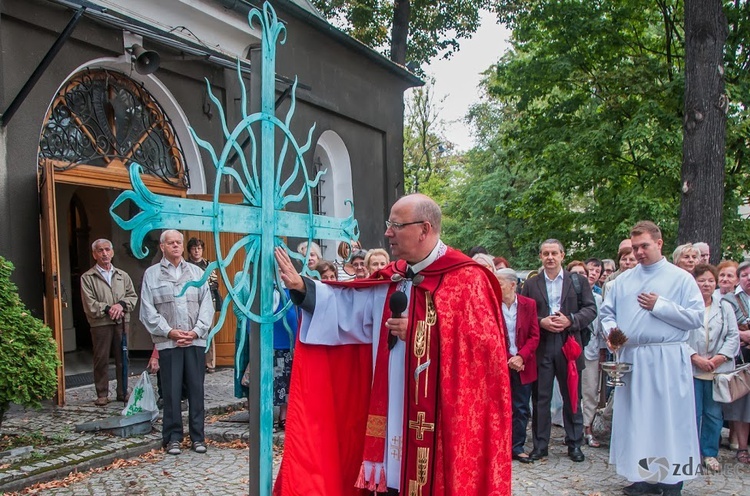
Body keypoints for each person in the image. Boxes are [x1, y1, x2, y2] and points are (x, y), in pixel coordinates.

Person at [273, 193, 512, 495]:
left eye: (396, 225)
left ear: (424, 230)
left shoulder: (467, 281)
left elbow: (483, 358)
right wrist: (302, 287)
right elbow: (347, 310)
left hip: (441, 425)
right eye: (389, 225)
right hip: (391, 418)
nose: (387, 233)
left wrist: (421, 332)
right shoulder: (393, 277)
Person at [600, 221, 704, 496]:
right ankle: (644, 476)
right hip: (633, 358)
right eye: (634, 248)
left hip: (667, 357)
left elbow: (696, 317)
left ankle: (673, 481)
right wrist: (612, 332)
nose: (638, 253)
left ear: (659, 244)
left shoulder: (680, 278)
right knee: (639, 419)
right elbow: (607, 313)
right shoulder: (623, 280)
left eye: (644, 246)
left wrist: (660, 305)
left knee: (669, 419)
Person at [521, 240, 597, 463]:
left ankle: (575, 444)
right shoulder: (532, 284)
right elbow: (524, 314)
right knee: (541, 398)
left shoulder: (577, 281)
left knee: (572, 396)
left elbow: (591, 309)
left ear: (562, 255)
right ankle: (540, 445)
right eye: (546, 253)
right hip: (542, 345)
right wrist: (541, 321)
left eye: (554, 253)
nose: (550, 257)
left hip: (569, 344)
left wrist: (571, 320)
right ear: (540, 257)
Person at [140, 230, 214, 456]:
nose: (175, 246)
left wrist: (196, 331)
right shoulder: (152, 274)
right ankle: (172, 438)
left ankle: (198, 436)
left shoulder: (196, 272)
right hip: (168, 343)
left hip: (195, 341)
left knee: (196, 390)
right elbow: (146, 309)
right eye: (171, 243)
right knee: (171, 393)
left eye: (178, 242)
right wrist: (169, 332)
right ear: (162, 247)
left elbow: (207, 305)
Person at [686, 264, 738, 472]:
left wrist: (718, 358)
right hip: (693, 367)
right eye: (701, 280)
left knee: (714, 414)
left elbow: (733, 336)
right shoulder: (687, 306)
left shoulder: (724, 307)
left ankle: (709, 452)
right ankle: (690, 450)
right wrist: (695, 357)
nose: (706, 284)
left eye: (710, 280)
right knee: (693, 412)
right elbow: (679, 336)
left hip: (717, 370)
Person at [80, 239, 138, 406]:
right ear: (94, 254)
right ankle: (102, 393)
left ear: (112, 252)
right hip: (100, 323)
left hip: (121, 321)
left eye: (107, 250)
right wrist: (108, 309)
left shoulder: (122, 275)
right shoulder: (87, 277)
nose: (104, 253)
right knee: (101, 358)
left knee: (123, 358)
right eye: (100, 250)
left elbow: (132, 296)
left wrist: (120, 305)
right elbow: (89, 303)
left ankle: (123, 392)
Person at [496, 268, 540, 464]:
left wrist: (521, 357)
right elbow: (492, 336)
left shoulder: (528, 305)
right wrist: (508, 358)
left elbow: (534, 335)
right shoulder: (492, 305)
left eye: (500, 284)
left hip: (523, 364)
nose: (496, 287)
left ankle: (517, 446)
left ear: (513, 285)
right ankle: (499, 446)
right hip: (500, 363)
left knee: (521, 407)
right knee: (499, 407)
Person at [568, 262, 605, 448]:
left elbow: (601, 326)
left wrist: (604, 349)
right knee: (571, 391)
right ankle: (571, 429)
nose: (580, 277)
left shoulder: (597, 299)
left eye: (583, 273)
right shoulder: (565, 295)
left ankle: (587, 426)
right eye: (575, 274)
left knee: (590, 390)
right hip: (570, 349)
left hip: (591, 349)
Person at [721, 261, 750, 462]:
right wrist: (744, 334)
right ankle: (741, 448)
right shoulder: (731, 300)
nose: (749, 278)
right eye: (746, 275)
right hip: (743, 356)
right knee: (742, 403)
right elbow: (726, 327)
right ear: (739, 278)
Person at [186, 237, 220, 373]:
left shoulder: (209, 265)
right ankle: (195, 362)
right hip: (190, 301)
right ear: (189, 251)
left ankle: (210, 363)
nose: (196, 251)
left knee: (209, 332)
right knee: (193, 331)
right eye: (194, 248)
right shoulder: (185, 265)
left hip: (208, 301)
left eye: (199, 248)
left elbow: (214, 283)